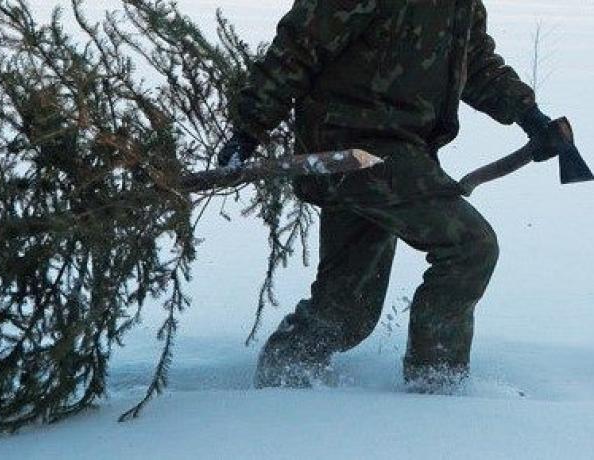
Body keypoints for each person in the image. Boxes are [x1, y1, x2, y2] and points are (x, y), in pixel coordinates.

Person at [218, 0, 556, 391]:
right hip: (350, 149)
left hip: (402, 150)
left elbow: (473, 58)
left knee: (348, 311)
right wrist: (248, 129)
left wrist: (531, 117)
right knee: (469, 246)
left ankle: (287, 369)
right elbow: (300, 45)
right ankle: (437, 385)